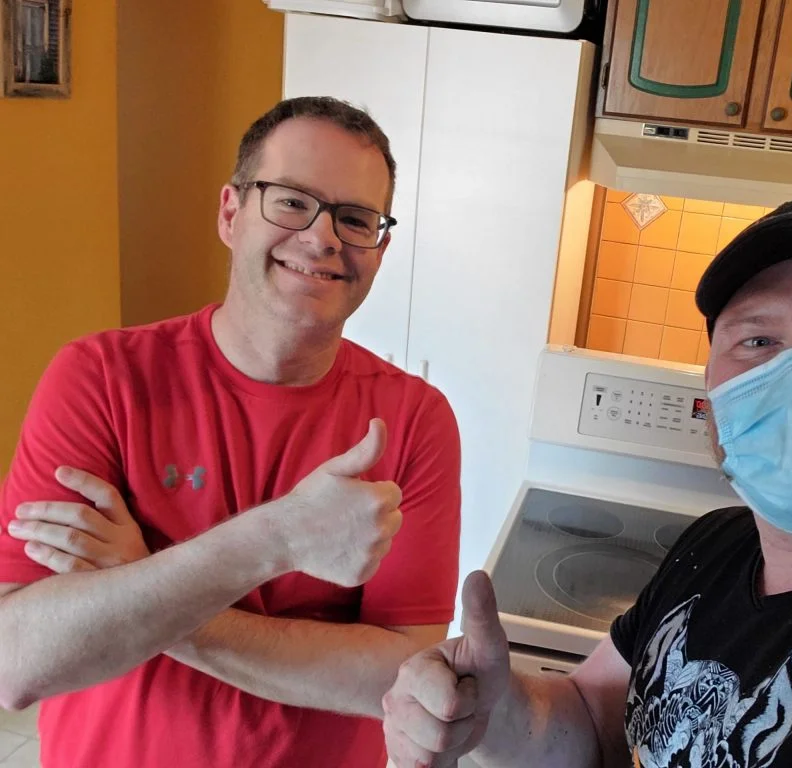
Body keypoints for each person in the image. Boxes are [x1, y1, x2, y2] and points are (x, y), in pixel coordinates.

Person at [380, 189, 792, 767]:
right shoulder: (715, 545)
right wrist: (497, 713)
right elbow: (596, 725)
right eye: (758, 341)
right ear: (712, 385)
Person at [0, 96, 462, 767]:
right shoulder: (99, 379)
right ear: (230, 213)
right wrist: (277, 539)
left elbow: (397, 680)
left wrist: (142, 587)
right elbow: (16, 660)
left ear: (380, 247)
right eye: (292, 201)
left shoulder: (415, 420)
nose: (323, 238)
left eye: (356, 219)